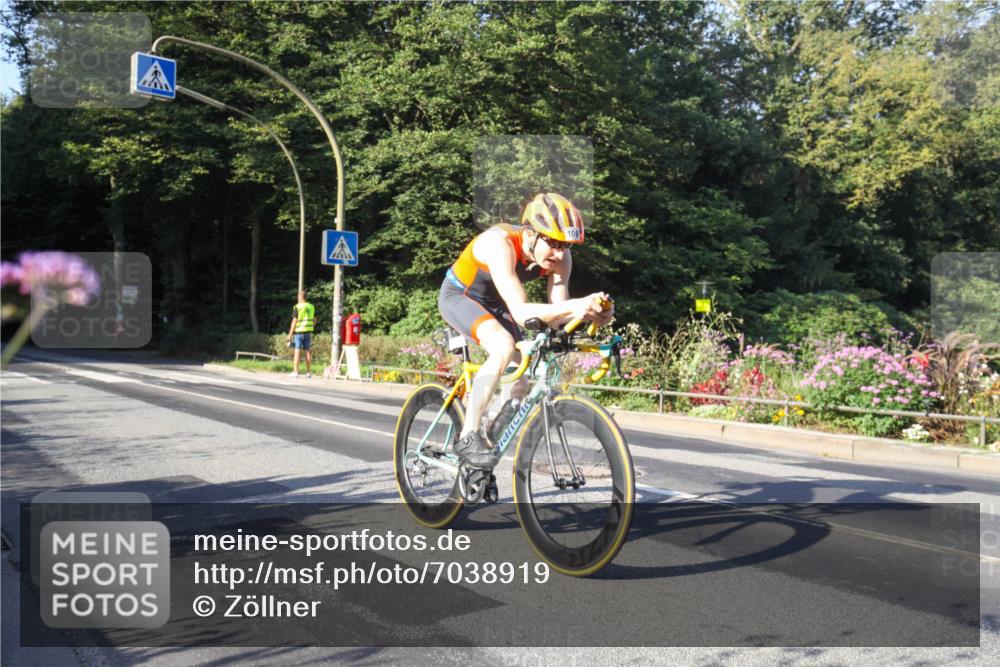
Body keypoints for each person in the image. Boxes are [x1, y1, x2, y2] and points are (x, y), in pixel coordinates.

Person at [438, 192, 613, 469]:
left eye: (566, 245)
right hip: (460, 296)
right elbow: (520, 313)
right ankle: (468, 435)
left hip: (498, 303)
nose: (559, 252)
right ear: (531, 234)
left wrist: (591, 313)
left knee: (520, 379)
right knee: (503, 346)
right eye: (553, 242)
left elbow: (558, 313)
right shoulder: (500, 243)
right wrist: (577, 305)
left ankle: (487, 447)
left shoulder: (561, 259)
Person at [287, 291, 315, 378]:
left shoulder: (297, 307)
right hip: (308, 332)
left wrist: (290, 334)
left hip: (299, 332)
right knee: (307, 351)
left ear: (300, 297)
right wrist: (311, 326)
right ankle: (309, 372)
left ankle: (296, 372)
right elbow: (314, 320)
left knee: (297, 351)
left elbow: (294, 321)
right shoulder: (311, 307)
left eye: (298, 296)